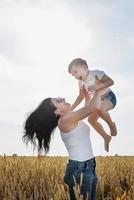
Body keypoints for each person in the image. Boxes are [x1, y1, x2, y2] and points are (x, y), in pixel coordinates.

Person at [23, 94, 100, 200]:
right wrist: (99, 87)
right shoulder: (65, 120)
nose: (63, 98)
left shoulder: (71, 117)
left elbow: (88, 105)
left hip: (89, 166)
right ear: (57, 111)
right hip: (80, 169)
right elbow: (93, 107)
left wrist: (86, 91)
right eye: (58, 100)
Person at [68, 58, 117, 152]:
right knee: (91, 120)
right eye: (73, 75)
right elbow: (81, 96)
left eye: (76, 72)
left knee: (101, 109)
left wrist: (96, 87)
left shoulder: (96, 73)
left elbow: (110, 82)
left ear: (85, 67)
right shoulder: (81, 82)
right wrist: (72, 108)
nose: (75, 76)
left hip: (109, 97)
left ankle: (112, 125)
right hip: (98, 101)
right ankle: (106, 137)